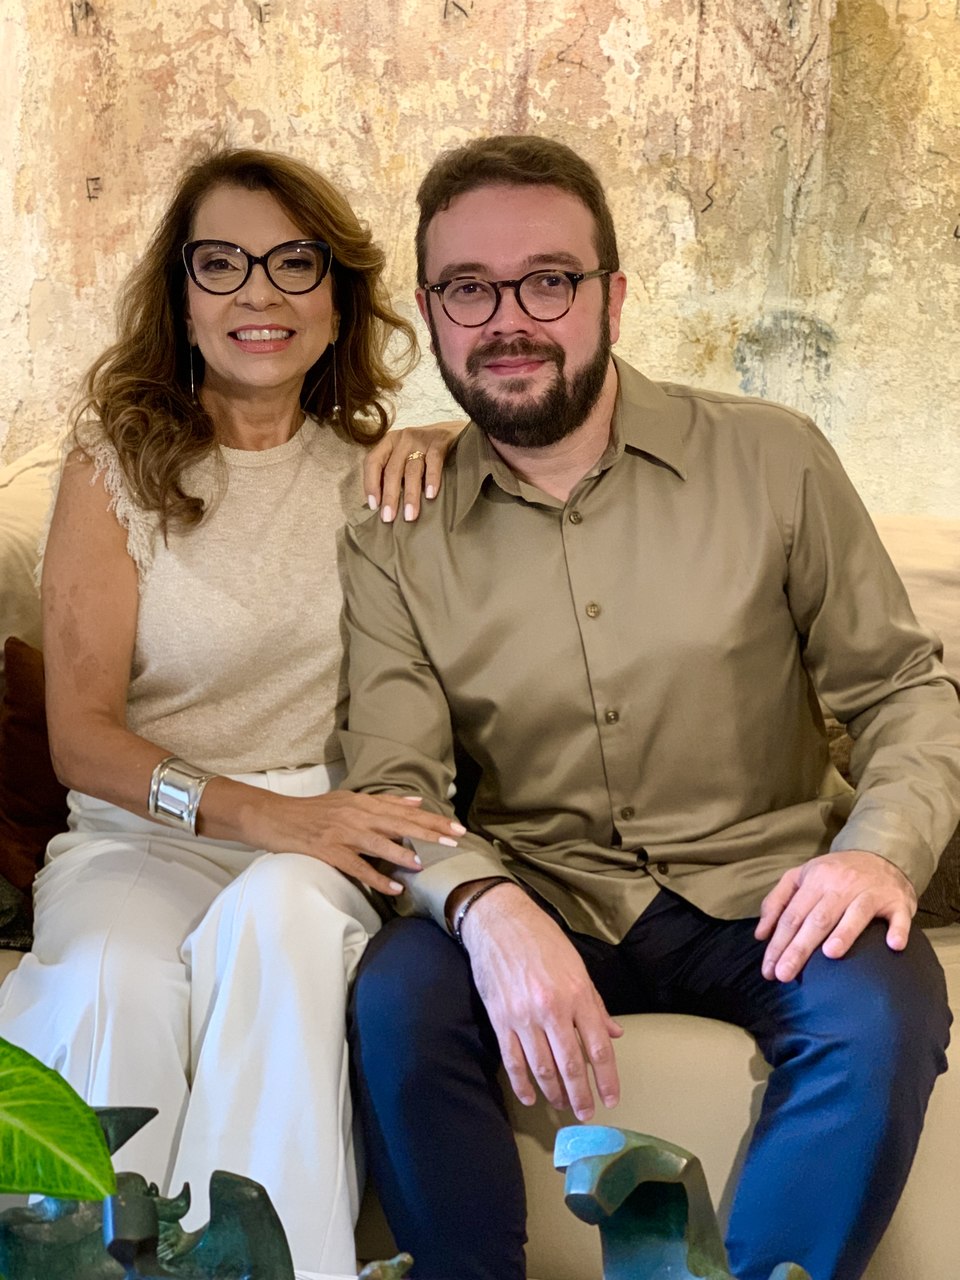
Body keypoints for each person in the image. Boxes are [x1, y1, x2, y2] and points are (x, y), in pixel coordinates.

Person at [341, 135, 960, 1280]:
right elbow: (393, 779)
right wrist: (482, 901)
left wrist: (879, 851)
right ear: (430, 312)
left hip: (765, 888)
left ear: (613, 296)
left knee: (883, 1006)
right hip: (545, 883)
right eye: (469, 288)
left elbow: (902, 686)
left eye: (549, 279)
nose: (509, 319)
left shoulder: (774, 458)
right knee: (396, 999)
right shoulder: (396, 528)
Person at [0, 146, 464, 1274]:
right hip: (142, 829)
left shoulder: (381, 474)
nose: (261, 293)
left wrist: (459, 436)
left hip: (329, 833)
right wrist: (260, 814)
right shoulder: (113, 469)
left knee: (278, 931)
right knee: (108, 979)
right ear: (182, 296)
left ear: (338, 296)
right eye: (222, 264)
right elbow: (82, 739)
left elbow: (548, 437)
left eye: (295, 263)